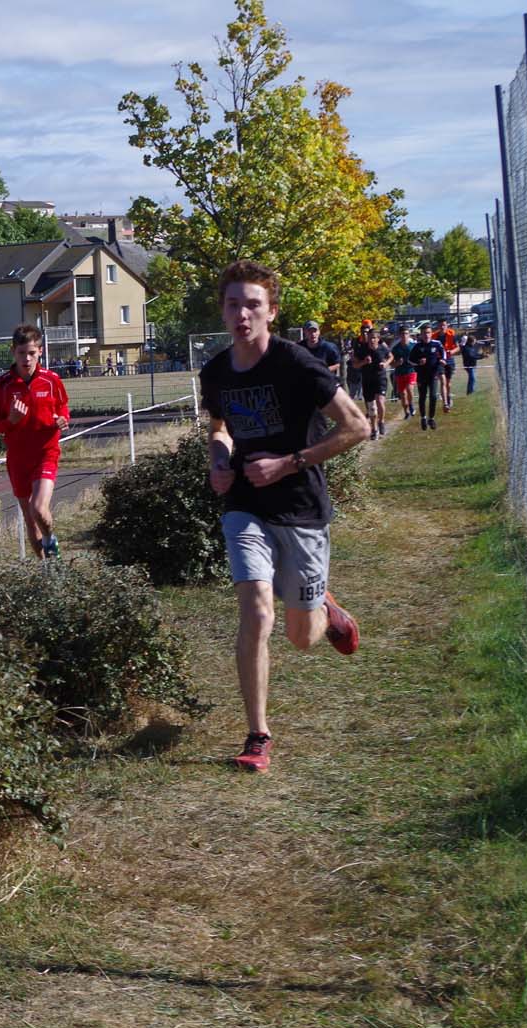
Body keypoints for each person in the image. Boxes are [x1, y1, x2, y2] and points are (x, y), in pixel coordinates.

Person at [201, 260, 368, 773]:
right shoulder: (216, 371)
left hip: (300, 508)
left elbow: (357, 427)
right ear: (224, 311)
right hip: (245, 506)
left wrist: (290, 462)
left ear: (271, 311)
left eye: (253, 304)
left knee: (302, 636)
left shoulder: (297, 365)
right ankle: (257, 736)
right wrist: (219, 460)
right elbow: (221, 429)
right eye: (233, 304)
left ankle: (326, 609)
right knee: (256, 611)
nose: (242, 313)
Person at [0, 324, 70, 559]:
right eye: (22, 353)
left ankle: (50, 543)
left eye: (32, 353)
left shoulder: (51, 380)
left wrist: (63, 420)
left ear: (40, 352)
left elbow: (63, 407)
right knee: (30, 519)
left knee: (39, 508)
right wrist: (11, 421)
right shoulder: (2, 385)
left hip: (46, 452)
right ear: (13, 351)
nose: (27, 359)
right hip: (17, 458)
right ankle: (47, 571)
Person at [351, 326, 390, 440]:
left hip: (380, 378)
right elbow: (355, 365)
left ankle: (381, 422)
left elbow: (390, 356)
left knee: (380, 401)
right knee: (372, 407)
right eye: (370, 338)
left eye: (374, 338)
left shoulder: (382, 348)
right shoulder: (362, 349)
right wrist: (364, 362)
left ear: (378, 339)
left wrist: (386, 364)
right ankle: (374, 429)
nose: (371, 340)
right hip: (367, 380)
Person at [409, 325, 447, 430]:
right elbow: (410, 360)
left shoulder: (436, 344)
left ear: (431, 333)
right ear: (421, 334)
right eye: (424, 333)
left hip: (433, 374)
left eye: (428, 332)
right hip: (421, 375)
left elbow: (443, 353)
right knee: (422, 396)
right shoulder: (417, 346)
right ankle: (423, 418)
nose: (426, 335)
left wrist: (443, 360)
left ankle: (431, 418)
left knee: (433, 396)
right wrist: (418, 362)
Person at [391, 326, 417, 419]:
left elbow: (418, 358)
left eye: (406, 334)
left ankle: (411, 405)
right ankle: (406, 412)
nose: (404, 336)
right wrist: (397, 363)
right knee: (403, 394)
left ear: (409, 334)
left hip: (411, 371)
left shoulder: (413, 346)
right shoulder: (395, 348)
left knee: (410, 388)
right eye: (402, 334)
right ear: (399, 335)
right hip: (400, 372)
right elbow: (391, 363)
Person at [433, 317, 458, 411]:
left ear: (447, 325)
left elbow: (458, 348)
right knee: (443, 381)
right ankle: (445, 404)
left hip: (449, 359)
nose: (442, 327)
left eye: (444, 325)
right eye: (440, 325)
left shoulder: (452, 334)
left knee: (448, 383)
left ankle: (448, 396)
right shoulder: (434, 336)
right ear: (438, 326)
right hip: (439, 361)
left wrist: (451, 352)